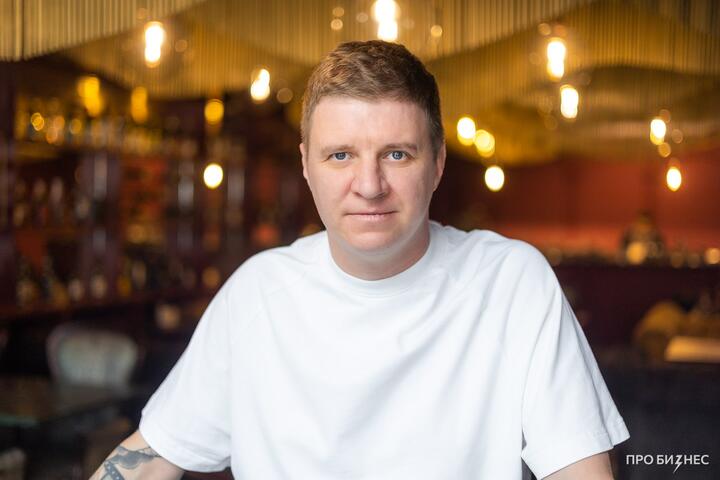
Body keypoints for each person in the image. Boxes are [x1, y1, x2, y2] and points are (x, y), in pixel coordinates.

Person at [90, 40, 629, 480]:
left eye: (397, 154)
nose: (369, 185)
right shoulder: (257, 293)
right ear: (307, 165)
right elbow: (150, 457)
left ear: (438, 164)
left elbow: (579, 470)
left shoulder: (511, 283)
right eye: (340, 155)